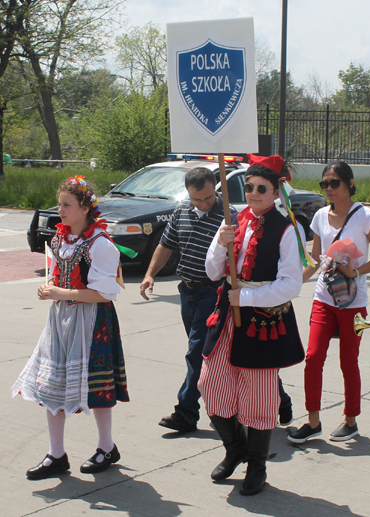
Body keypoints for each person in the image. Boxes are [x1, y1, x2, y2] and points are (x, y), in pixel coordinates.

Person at [198, 154, 305, 496]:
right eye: (249, 187)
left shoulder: (288, 228)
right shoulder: (233, 222)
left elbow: (291, 285)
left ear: (276, 192)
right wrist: (221, 243)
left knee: (259, 398)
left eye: (262, 188)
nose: (254, 193)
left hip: (262, 321)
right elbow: (212, 272)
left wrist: (243, 299)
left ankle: (257, 465)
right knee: (210, 386)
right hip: (228, 318)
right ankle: (235, 448)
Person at [11, 175, 129, 479]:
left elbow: (106, 293)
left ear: (85, 208)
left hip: (92, 320)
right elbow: (55, 273)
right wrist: (48, 285)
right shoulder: (60, 238)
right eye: (60, 204)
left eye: (66, 205)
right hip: (61, 318)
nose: (60, 210)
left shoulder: (100, 244)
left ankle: (106, 446)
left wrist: (60, 293)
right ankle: (56, 453)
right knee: (51, 382)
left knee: (97, 386)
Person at [287, 161, 370, 445]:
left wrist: (355, 271)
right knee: (313, 357)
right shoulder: (319, 216)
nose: (329, 189)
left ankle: (350, 420)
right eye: (324, 184)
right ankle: (313, 421)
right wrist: (294, 283)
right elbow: (317, 259)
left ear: (350, 184)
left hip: (353, 301)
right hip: (324, 297)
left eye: (335, 183)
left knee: (348, 361)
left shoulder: (366, 217)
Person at [140, 167, 226, 433]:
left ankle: (186, 412)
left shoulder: (228, 216)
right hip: (186, 292)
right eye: (197, 199)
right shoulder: (181, 212)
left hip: (213, 293)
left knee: (197, 353)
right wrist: (149, 274)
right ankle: (272, 399)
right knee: (212, 356)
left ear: (216, 189)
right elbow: (166, 245)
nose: (203, 203)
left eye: (208, 198)